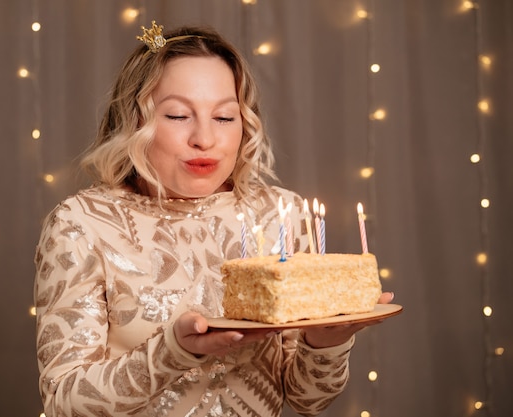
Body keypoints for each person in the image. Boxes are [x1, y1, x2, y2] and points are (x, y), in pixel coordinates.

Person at [34, 21, 394, 417]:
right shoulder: (82, 224)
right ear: (134, 120)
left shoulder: (282, 215)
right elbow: (64, 402)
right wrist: (175, 350)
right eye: (176, 115)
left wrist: (327, 341)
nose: (204, 138)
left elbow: (310, 400)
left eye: (224, 117)